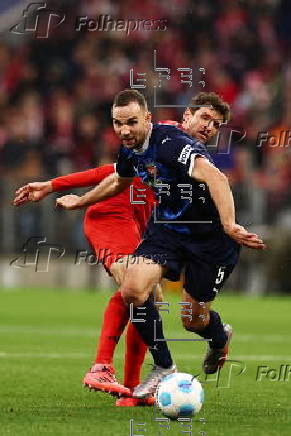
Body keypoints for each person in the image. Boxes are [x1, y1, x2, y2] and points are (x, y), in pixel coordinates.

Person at [56, 89, 265, 398]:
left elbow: (216, 178)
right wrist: (81, 201)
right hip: (167, 231)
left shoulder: (174, 145)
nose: (124, 130)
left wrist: (230, 225)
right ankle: (164, 367)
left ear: (147, 119)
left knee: (193, 320)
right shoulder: (132, 145)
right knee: (133, 288)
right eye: (118, 123)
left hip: (210, 241)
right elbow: (119, 179)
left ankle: (218, 337)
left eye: (215, 123)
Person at [13, 163, 157, 407]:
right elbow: (108, 173)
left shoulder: (195, 165)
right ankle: (102, 366)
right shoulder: (165, 142)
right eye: (205, 121)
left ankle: (132, 391)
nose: (208, 127)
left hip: (132, 225)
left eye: (214, 124)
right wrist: (52, 186)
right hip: (110, 216)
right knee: (134, 286)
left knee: (148, 296)